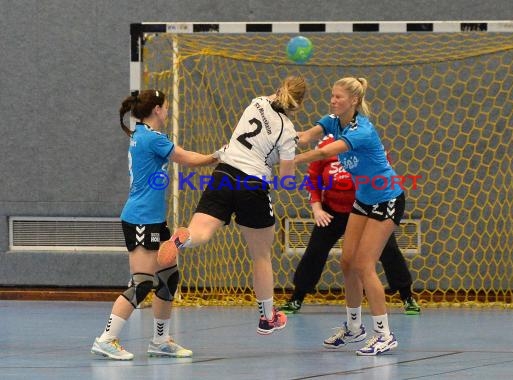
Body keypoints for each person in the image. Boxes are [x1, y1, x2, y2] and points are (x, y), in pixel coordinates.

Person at [158, 76, 307, 335]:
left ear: (278, 89)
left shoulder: (257, 102)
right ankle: (267, 317)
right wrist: (292, 157)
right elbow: (286, 178)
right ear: (298, 105)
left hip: (224, 172)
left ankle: (182, 239)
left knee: (201, 233)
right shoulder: (287, 129)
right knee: (261, 256)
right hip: (253, 183)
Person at [91, 89, 218, 360]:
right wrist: (219, 156)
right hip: (140, 219)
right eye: (166, 106)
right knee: (142, 284)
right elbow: (187, 159)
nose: (168, 110)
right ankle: (107, 339)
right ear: (158, 109)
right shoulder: (151, 138)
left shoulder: (141, 134)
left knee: (168, 278)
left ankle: (160, 341)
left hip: (154, 220)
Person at [295, 77, 404, 356]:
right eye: (332, 96)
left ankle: (384, 334)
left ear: (353, 101)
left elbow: (322, 152)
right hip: (364, 199)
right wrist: (276, 140)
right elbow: (307, 136)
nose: (333, 101)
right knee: (347, 263)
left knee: (365, 265)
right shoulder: (332, 121)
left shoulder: (362, 131)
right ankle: (354, 328)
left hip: (387, 198)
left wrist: (291, 160)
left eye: (339, 97)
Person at [280, 134, 420, 315]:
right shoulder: (324, 146)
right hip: (332, 211)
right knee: (315, 250)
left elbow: (383, 178)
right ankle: (297, 298)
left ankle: (407, 296)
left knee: (389, 250)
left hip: (366, 209)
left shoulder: (367, 140)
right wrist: (317, 210)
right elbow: (313, 180)